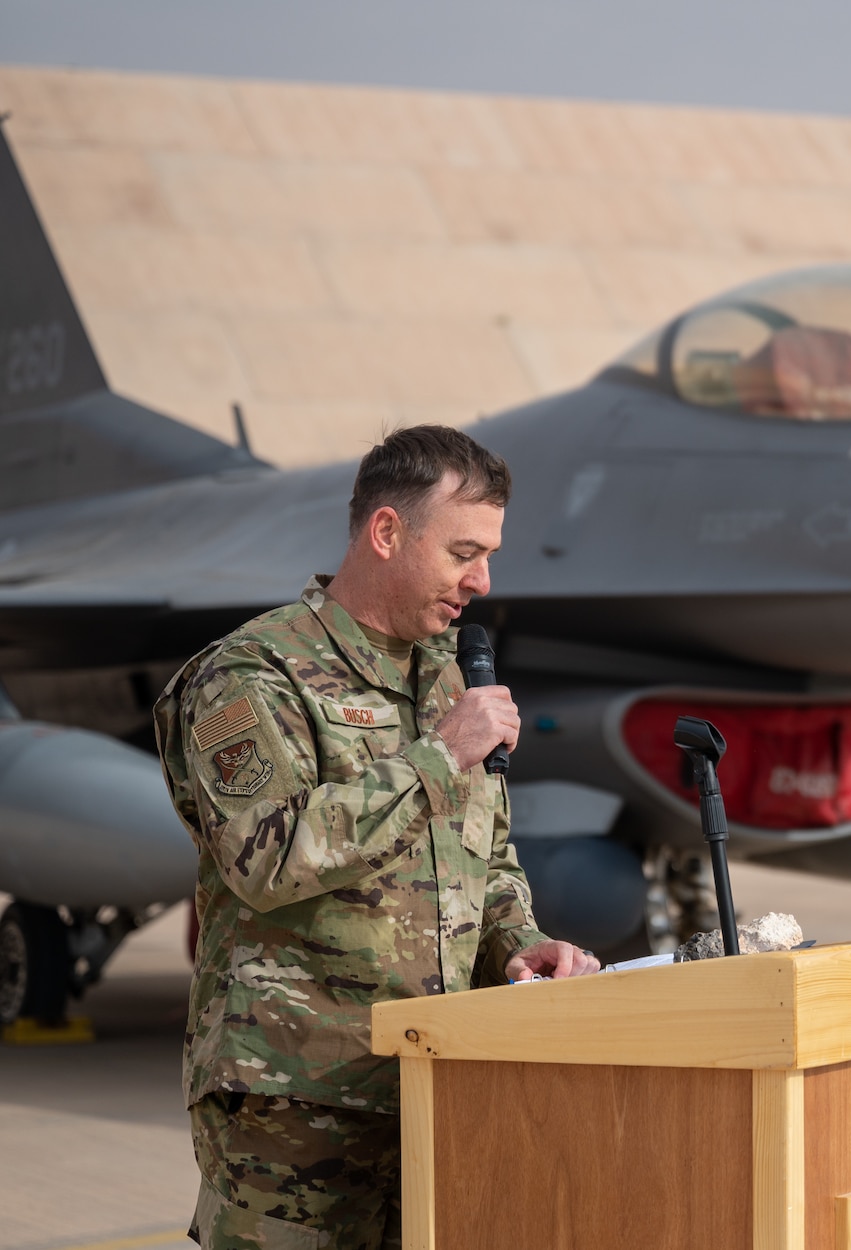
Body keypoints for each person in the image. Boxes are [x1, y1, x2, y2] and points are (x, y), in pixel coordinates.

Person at [155, 425, 599, 1248]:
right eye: (464, 550)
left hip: (436, 1086)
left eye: (490, 553)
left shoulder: (447, 678)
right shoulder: (251, 673)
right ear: (388, 532)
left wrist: (519, 942)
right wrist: (440, 756)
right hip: (297, 1098)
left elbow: (485, 860)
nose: (483, 579)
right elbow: (268, 855)